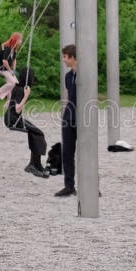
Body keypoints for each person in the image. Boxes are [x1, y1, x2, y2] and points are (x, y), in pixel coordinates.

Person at [4, 67, 49, 178]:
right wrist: (27, 95)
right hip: (14, 119)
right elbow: (17, 109)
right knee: (39, 133)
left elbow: (10, 103)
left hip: (12, 117)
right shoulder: (21, 90)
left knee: (35, 133)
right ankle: (33, 165)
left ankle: (35, 165)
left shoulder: (17, 87)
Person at [55, 44, 78, 197]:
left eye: (65, 56)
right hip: (68, 118)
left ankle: (92, 186)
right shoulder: (68, 76)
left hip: (84, 119)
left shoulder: (87, 75)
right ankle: (69, 186)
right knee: (67, 153)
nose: (63, 60)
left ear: (72, 57)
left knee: (87, 153)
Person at [0, 32, 23, 103]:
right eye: (20, 40)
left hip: (6, 69)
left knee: (14, 84)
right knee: (14, 83)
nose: (21, 41)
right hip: (1, 68)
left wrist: (13, 70)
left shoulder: (14, 49)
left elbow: (14, 60)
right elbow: (4, 61)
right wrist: (10, 71)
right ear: (16, 39)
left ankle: (8, 102)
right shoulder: (7, 48)